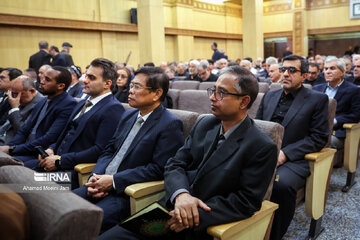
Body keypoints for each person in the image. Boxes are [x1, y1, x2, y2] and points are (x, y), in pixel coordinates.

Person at [99, 65, 278, 240]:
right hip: (170, 207)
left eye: (221, 93)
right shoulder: (205, 124)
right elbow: (175, 163)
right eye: (213, 90)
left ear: (244, 101)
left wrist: (191, 216)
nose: (212, 98)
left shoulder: (261, 146)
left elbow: (244, 202)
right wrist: (181, 194)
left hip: (203, 224)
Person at [73, 67, 184, 232]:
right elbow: (109, 150)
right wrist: (97, 177)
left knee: (83, 223)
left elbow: (158, 169)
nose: (130, 91)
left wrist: (114, 181)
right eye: (131, 85)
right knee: (60, 207)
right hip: (101, 181)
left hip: (127, 192)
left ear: (156, 94)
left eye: (137, 87)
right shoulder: (128, 115)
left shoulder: (170, 124)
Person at [256, 54, 329, 240]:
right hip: (264, 152)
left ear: (304, 76)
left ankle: (275, 234)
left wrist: (286, 153)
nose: (285, 74)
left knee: (280, 185)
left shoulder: (317, 99)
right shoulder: (269, 96)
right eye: (283, 69)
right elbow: (257, 126)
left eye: (292, 70)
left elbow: (318, 138)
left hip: (295, 157)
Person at [35, 58, 125, 188]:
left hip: (74, 172)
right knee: (12, 178)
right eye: (86, 76)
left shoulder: (113, 108)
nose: (85, 80)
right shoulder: (82, 102)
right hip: (55, 162)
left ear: (107, 83)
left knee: (22, 186)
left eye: (91, 78)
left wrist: (60, 161)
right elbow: (66, 134)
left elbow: (99, 150)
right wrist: (51, 149)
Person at [0, 67, 77, 167]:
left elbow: (48, 138)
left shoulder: (68, 104)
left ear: (61, 86)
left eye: (47, 80)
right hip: (25, 149)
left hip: (40, 154)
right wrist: (8, 146)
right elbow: (24, 130)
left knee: (6, 166)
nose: (42, 81)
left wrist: (12, 150)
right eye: (43, 78)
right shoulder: (42, 101)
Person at [313, 56, 360, 150]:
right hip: (314, 129)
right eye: (326, 69)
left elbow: (355, 115)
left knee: (318, 142)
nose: (328, 71)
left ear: (342, 72)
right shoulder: (316, 89)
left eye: (332, 68)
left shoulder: (354, 90)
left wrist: (334, 121)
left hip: (337, 131)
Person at [0, 76, 43, 145]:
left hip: (11, 146)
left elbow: (23, 132)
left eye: (16, 93)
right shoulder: (21, 100)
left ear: (32, 91)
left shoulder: (40, 104)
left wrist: (14, 109)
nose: (13, 97)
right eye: (12, 93)